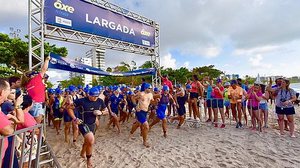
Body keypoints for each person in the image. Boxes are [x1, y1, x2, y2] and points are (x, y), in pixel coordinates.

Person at [66, 87, 109, 168]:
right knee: (90, 139)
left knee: (88, 141)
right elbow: (69, 108)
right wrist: (75, 118)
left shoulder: (100, 101)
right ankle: (89, 160)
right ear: (89, 95)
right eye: (93, 96)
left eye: (96, 96)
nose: (94, 98)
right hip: (83, 123)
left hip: (92, 124)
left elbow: (106, 111)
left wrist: (101, 112)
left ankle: (82, 152)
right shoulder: (82, 101)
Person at [21, 56, 50, 124]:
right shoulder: (36, 80)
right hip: (37, 104)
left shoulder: (28, 84)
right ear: (32, 76)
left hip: (32, 104)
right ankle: (35, 134)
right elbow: (44, 69)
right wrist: (47, 60)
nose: (37, 75)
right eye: (35, 74)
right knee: (36, 125)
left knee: (33, 123)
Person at [129, 83, 154, 147]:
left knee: (138, 124)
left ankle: (130, 134)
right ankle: (144, 142)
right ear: (145, 88)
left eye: (150, 88)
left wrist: (155, 102)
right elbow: (133, 98)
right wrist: (135, 106)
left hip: (145, 111)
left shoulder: (150, 94)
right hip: (140, 111)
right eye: (149, 88)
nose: (150, 89)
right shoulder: (141, 93)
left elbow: (151, 101)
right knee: (146, 126)